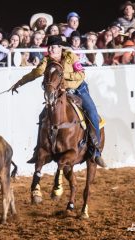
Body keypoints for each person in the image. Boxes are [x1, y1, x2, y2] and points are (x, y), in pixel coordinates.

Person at [10, 35, 106, 168]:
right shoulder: (46, 61)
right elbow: (36, 73)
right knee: (43, 116)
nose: (50, 49)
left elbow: (81, 74)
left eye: (53, 47)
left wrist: (62, 74)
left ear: (60, 48)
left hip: (79, 89)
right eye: (48, 47)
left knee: (92, 113)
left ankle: (95, 151)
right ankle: (39, 149)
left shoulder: (70, 56)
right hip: (61, 93)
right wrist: (19, 83)